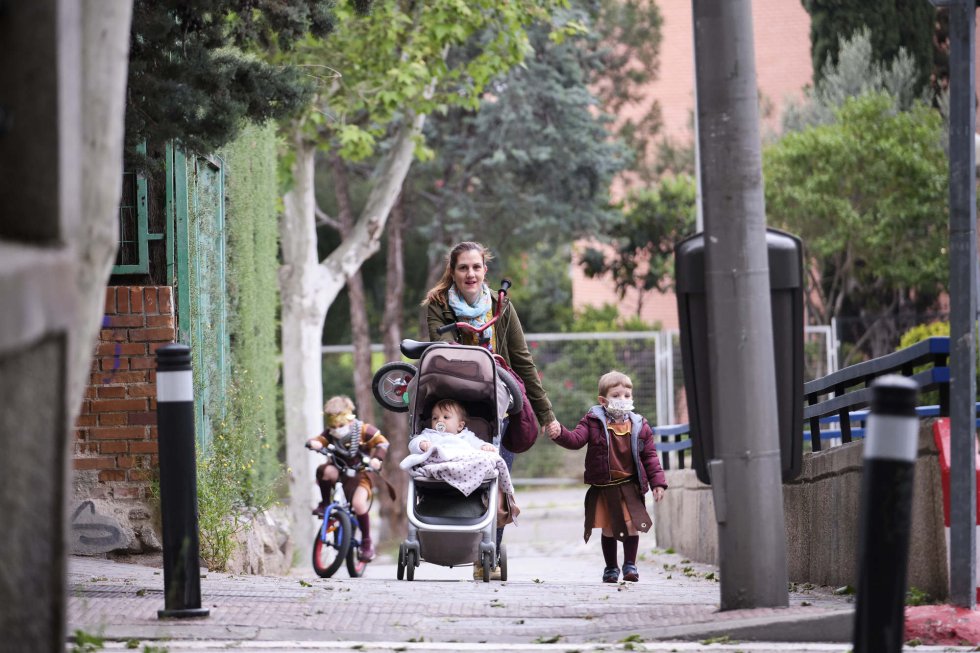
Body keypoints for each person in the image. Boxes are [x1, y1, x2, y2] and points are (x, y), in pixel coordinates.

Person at [422, 241, 557, 578]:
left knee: (497, 477)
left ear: (485, 270)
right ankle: (453, 542)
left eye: (476, 267)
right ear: (453, 272)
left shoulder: (502, 305)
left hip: (499, 402)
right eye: (463, 267)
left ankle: (489, 556)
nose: (470, 273)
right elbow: (442, 351)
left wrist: (546, 414)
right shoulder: (439, 305)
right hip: (457, 402)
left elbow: (522, 360)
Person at [547, 370, 667, 583]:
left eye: (627, 395)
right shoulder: (592, 421)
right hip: (606, 486)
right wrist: (559, 433)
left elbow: (650, 456)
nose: (623, 399)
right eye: (616, 395)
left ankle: (630, 565)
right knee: (610, 528)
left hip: (630, 485)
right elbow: (575, 440)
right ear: (603, 400)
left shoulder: (640, 425)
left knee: (632, 525)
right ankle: (611, 567)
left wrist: (658, 482)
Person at [306, 394, 389, 562]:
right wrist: (315, 443)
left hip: (362, 474)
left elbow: (382, 442)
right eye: (333, 426)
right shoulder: (331, 433)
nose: (337, 429)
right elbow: (320, 439)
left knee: (358, 504)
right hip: (341, 471)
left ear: (349, 419)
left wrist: (377, 459)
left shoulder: (364, 430)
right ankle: (325, 503)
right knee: (324, 470)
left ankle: (367, 542)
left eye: (341, 425)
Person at [408, 398, 497, 455]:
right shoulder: (429, 434)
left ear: (460, 426)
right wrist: (421, 444)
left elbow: (478, 444)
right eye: (435, 418)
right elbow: (413, 443)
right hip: (437, 464)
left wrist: (484, 446)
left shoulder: (466, 436)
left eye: (446, 417)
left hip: (462, 463)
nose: (439, 420)